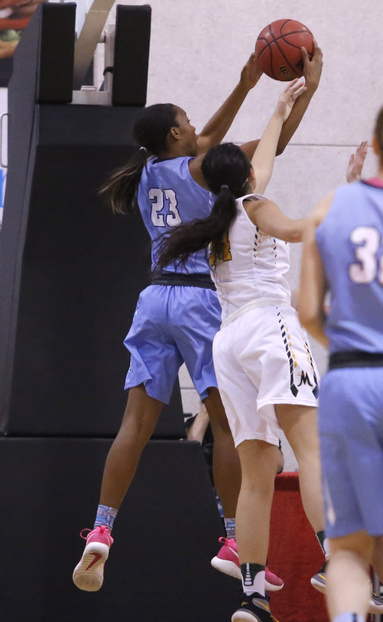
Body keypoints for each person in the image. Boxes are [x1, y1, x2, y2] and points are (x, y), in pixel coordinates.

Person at [72, 43, 323, 594]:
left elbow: (212, 138)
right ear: (175, 138)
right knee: (231, 428)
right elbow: (266, 143)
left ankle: (102, 529)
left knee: (134, 426)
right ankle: (234, 537)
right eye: (185, 122)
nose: (194, 126)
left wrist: (249, 83)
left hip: (152, 301)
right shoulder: (203, 170)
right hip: (200, 303)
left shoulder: (144, 177)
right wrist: (270, 88)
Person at [157, 77, 329, 622]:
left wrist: (279, 110)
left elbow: (265, 163)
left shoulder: (212, 220)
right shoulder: (257, 207)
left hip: (228, 345)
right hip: (269, 329)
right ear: (248, 176)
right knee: (313, 453)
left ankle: (253, 597)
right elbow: (294, 228)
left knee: (258, 474)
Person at [298, 107, 383, 622]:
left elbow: (308, 311)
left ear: (374, 142)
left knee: (349, 547)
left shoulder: (330, 208)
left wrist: (354, 345)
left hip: (350, 380)